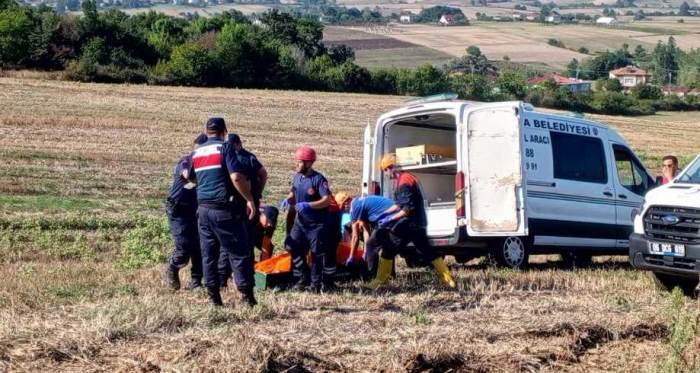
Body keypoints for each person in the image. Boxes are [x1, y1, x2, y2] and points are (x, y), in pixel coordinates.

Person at [188, 117, 257, 307]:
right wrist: (249, 199)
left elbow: (191, 178)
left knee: (209, 254)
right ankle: (246, 297)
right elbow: (236, 177)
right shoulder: (225, 148)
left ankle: (213, 298)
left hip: (203, 209)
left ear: (206, 130)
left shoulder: (197, 151)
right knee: (238, 251)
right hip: (224, 208)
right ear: (225, 130)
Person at [365, 153, 456, 289]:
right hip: (419, 224)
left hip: (409, 224)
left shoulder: (404, 182)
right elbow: (398, 204)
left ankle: (380, 281)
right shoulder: (405, 178)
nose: (385, 174)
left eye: (384, 170)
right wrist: (383, 214)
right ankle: (449, 281)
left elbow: (406, 209)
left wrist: (389, 219)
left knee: (388, 249)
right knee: (428, 252)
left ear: (390, 168)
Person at [218, 133, 269, 284]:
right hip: (251, 203)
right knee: (248, 240)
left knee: (228, 241)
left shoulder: (228, 159)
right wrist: (257, 193)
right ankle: (248, 275)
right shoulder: (250, 157)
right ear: (240, 143)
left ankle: (223, 277)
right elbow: (264, 174)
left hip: (236, 204)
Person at [282, 146, 334, 292]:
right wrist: (288, 199)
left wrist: (309, 205)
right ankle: (304, 273)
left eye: (299, 162)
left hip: (317, 224)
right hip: (301, 222)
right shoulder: (297, 177)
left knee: (316, 253)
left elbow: (327, 200)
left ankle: (315, 284)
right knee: (290, 245)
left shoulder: (319, 180)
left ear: (309, 163)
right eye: (296, 161)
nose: (296, 164)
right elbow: (293, 192)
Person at [164, 134, 208, 291]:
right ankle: (172, 268)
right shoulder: (188, 160)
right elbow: (186, 175)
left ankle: (196, 282)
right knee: (184, 246)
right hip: (179, 208)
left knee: (199, 246)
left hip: (196, 208)